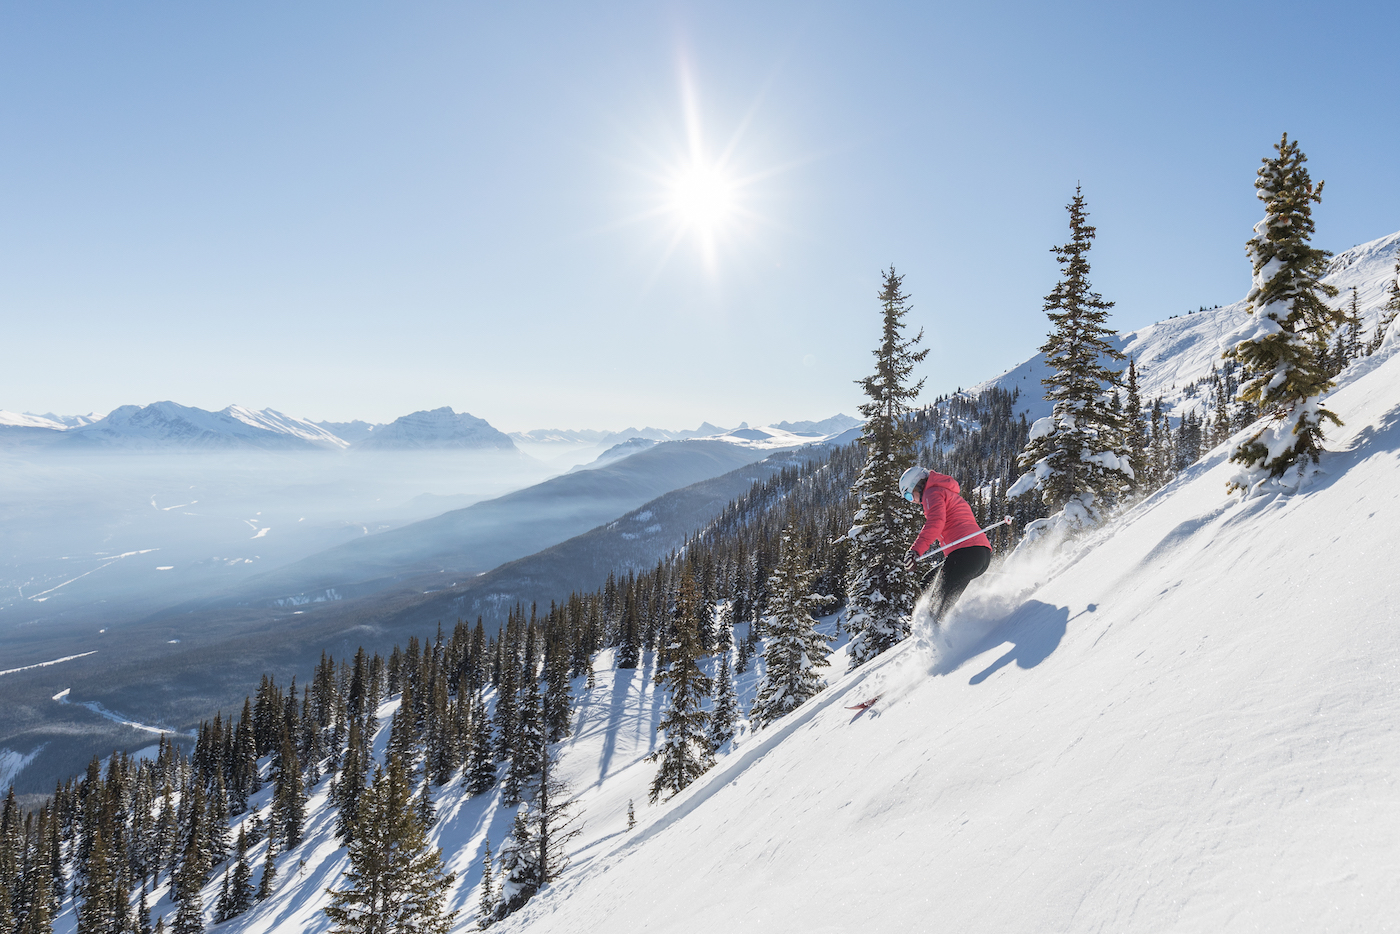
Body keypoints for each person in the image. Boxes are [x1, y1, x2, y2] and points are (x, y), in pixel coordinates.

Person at [898, 466, 992, 624]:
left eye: (908, 495)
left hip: (965, 554)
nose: (912, 501)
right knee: (928, 582)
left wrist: (915, 551)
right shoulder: (942, 492)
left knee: (937, 610)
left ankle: (946, 639)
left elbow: (935, 523)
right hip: (979, 555)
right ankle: (957, 623)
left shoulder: (931, 493)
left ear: (916, 485)